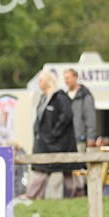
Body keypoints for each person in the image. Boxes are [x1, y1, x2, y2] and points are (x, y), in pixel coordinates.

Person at [22, 70, 76, 200]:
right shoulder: (43, 98)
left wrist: (54, 133)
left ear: (48, 81)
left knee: (65, 170)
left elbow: (66, 116)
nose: (39, 83)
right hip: (45, 142)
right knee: (42, 169)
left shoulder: (60, 98)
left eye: (41, 80)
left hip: (59, 143)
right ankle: (35, 196)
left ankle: (75, 196)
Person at [63, 69, 97, 153]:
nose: (66, 81)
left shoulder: (85, 96)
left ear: (75, 77)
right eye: (65, 79)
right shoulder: (65, 96)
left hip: (80, 139)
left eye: (68, 78)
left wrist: (91, 137)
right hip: (68, 140)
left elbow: (90, 118)